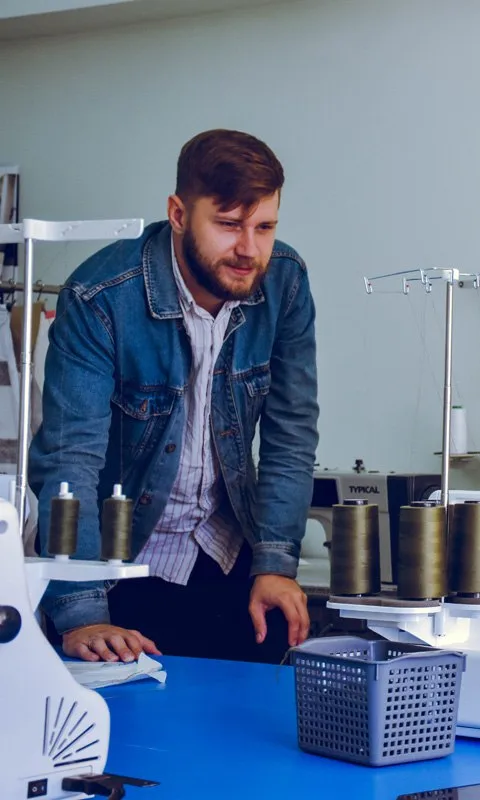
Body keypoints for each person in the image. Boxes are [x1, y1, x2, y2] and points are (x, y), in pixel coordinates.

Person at [31, 129, 319, 666]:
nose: (249, 250)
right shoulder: (99, 298)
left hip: (230, 558)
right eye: (229, 225)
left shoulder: (286, 283)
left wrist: (277, 563)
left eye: (265, 227)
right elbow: (70, 460)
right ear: (179, 213)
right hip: (122, 572)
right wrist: (81, 611)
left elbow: (291, 433)